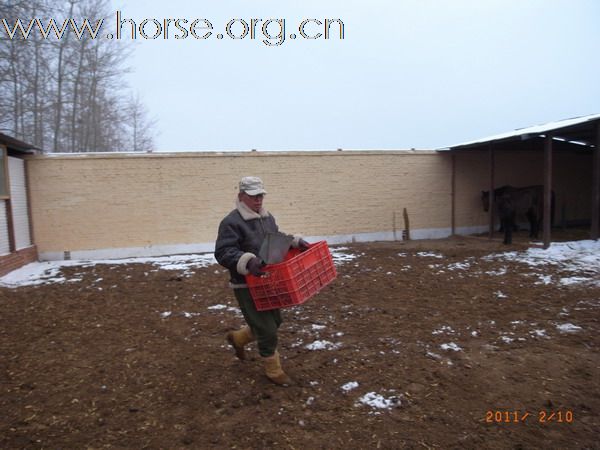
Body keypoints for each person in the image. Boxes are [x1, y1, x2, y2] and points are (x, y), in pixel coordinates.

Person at [214, 176, 309, 386]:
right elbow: (223, 252)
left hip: (269, 280)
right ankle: (273, 370)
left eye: (261, 195)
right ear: (241, 196)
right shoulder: (231, 222)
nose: (258, 200)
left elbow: (275, 237)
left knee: (275, 322)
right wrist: (247, 262)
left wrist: (294, 241)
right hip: (246, 284)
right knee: (266, 329)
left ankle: (238, 339)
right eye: (253, 196)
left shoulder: (267, 218)